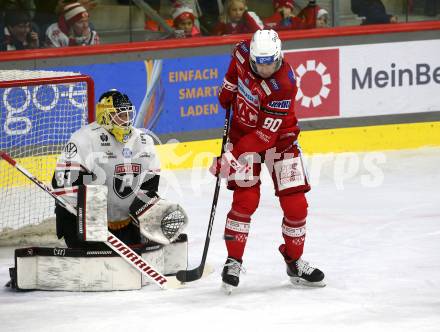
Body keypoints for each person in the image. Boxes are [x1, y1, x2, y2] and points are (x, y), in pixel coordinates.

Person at [212, 29, 325, 293]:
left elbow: (264, 136)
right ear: (251, 56)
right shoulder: (241, 51)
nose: (266, 68)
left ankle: (294, 262)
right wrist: (228, 88)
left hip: (279, 140)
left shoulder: (284, 84)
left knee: (296, 204)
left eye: (271, 62)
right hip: (241, 132)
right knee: (245, 199)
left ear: (279, 56)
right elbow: (233, 72)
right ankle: (233, 260)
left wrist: (230, 157)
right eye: (260, 63)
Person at [52, 90, 162, 249]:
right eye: (120, 116)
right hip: (83, 222)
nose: (126, 121)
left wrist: (141, 215)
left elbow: (150, 183)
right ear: (105, 115)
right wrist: (91, 216)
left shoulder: (144, 140)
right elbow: (63, 187)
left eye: (128, 115)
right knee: (91, 193)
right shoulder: (84, 139)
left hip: (125, 221)